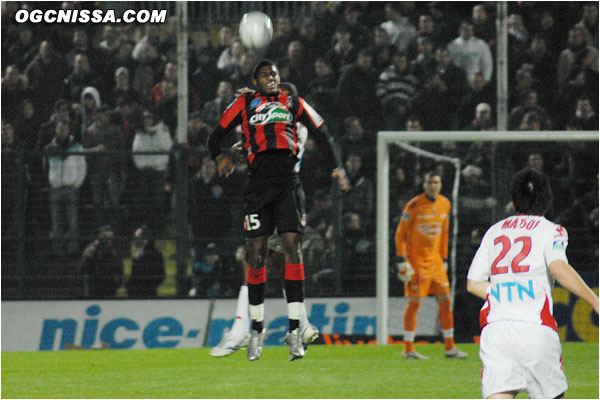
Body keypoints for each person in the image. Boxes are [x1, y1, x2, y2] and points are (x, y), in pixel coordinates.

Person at [207, 60, 349, 361]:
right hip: (263, 189)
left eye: (276, 80)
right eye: (265, 77)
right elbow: (255, 129)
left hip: (285, 187)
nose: (272, 83)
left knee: (274, 255)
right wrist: (248, 104)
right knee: (264, 256)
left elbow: (273, 130)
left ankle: (253, 328)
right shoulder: (264, 106)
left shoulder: (292, 113)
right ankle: (281, 326)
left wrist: (252, 106)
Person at [466, 168, 599, 399]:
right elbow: (559, 268)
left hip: (496, 330)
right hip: (534, 328)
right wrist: (595, 300)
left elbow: (472, 283)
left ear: (514, 201)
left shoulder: (494, 231)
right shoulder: (552, 230)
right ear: (547, 200)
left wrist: (504, 292)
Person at [394, 170, 467, 359]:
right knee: (415, 303)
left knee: (446, 302)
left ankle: (450, 347)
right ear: (424, 185)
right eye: (430, 182)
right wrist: (402, 258)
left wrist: (443, 259)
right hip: (417, 263)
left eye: (436, 182)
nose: (433, 185)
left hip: (436, 263)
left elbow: (444, 233)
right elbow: (400, 233)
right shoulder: (414, 205)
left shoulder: (445, 204)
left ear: (441, 184)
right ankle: (408, 348)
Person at [80, 225, 123, 298]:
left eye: (111, 239)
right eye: (106, 238)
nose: (109, 241)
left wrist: (117, 283)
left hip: (110, 286)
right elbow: (82, 268)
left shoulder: (115, 249)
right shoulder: (92, 248)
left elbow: (120, 269)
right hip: (94, 286)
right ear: (100, 237)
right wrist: (88, 258)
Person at [126, 224, 166, 297]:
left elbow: (160, 275)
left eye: (138, 237)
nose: (136, 240)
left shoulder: (154, 254)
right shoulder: (138, 253)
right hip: (135, 292)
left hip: (148, 292)